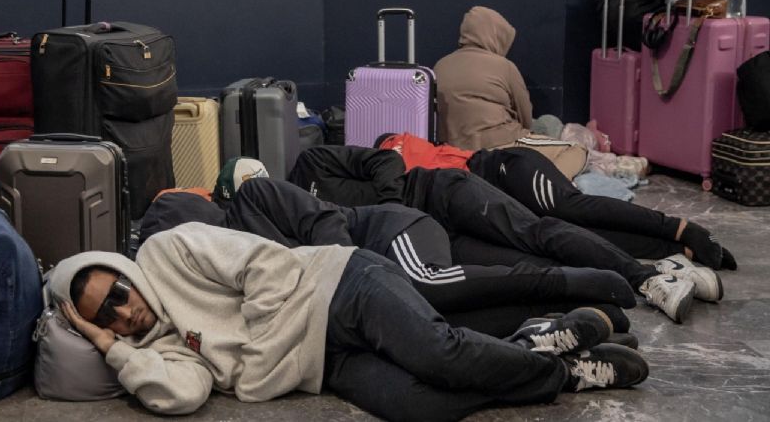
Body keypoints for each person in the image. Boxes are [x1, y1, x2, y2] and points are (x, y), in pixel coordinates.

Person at [51, 223, 649, 421]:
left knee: (439, 354)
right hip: (323, 363)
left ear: (124, 270)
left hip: (339, 286)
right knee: (419, 407)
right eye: (106, 317)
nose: (124, 311)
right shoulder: (157, 350)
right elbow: (185, 395)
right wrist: (115, 351)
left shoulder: (166, 251)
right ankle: (556, 364)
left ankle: (556, 348)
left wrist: (259, 358)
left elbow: (268, 266)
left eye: (118, 293)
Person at [141, 175, 637, 342]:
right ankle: (584, 315)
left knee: (426, 283)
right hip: (362, 276)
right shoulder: (227, 267)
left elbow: (324, 222)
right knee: (439, 322)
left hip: (387, 233)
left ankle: (568, 280)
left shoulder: (255, 197)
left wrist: (353, 272)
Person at [287, 145, 708, 324]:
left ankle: (647, 278)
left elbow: (386, 162)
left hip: (438, 193)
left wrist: (393, 207)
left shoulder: (311, 163)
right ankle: (613, 294)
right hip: (431, 240)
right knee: (526, 268)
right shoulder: (291, 229)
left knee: (535, 232)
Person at [376, 132, 735, 274]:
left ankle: (682, 228)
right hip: (492, 195)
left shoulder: (390, 153)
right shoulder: (390, 163)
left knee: (569, 207)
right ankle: (678, 249)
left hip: (501, 168)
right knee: (569, 232)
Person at [432, 6, 587, 179]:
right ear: (495, 36)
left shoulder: (440, 66)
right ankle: (548, 184)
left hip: (455, 151)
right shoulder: (504, 66)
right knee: (577, 150)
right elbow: (525, 117)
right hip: (501, 144)